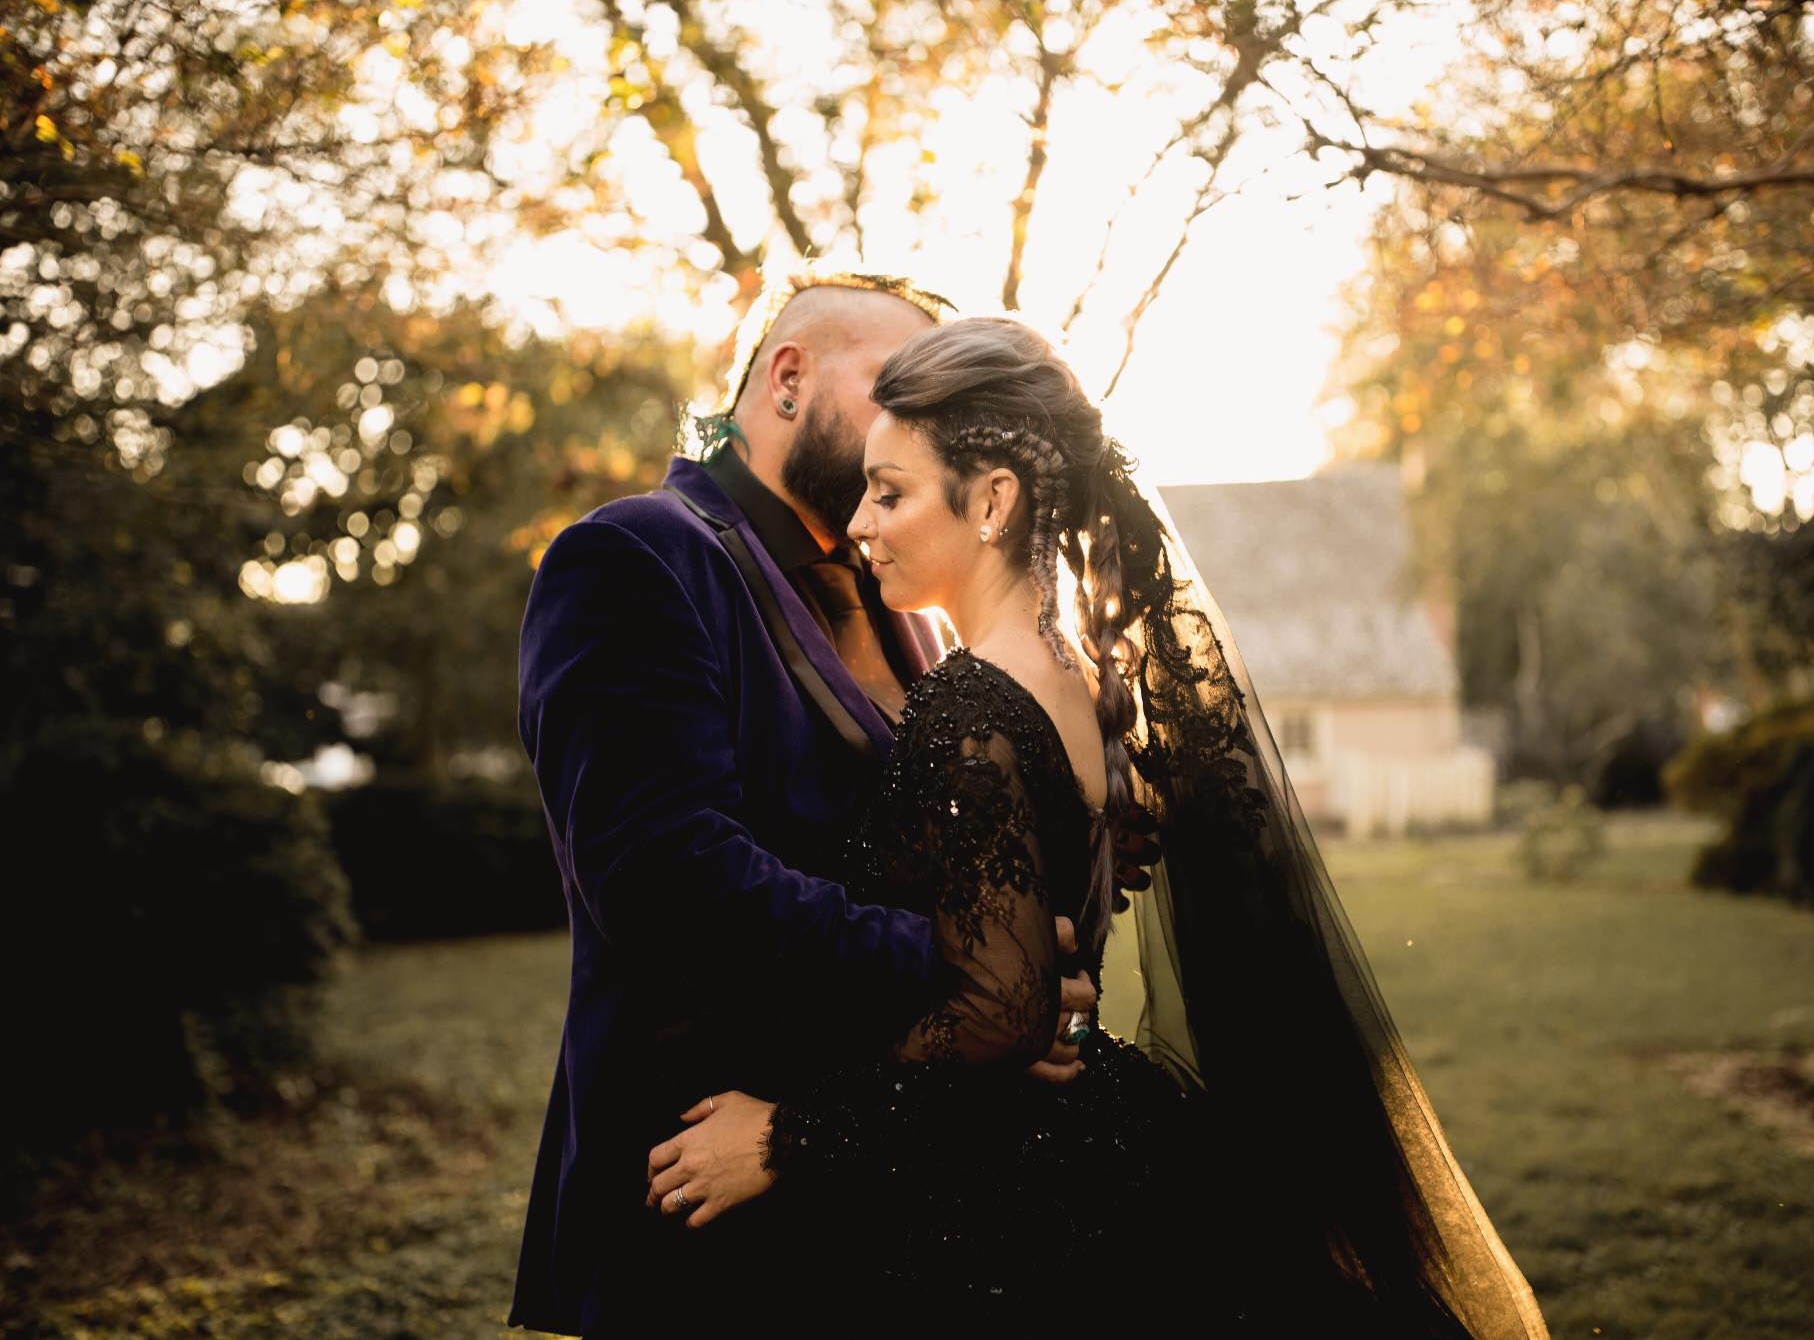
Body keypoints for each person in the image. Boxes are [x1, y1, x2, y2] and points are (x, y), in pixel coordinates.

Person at [644, 316, 1555, 1335]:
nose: (859, 522)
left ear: (991, 500)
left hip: (1004, 1209)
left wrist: (790, 1136)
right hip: (1097, 1138)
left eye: (890, 492)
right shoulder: (1082, 681)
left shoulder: (970, 707)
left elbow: (1002, 1011)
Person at [507, 273, 1100, 1335]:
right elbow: (668, 880)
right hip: (699, 1201)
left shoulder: (903, 595)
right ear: (788, 378)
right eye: (895, 390)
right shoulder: (635, 557)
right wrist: (977, 969)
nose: (922, 427)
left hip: (878, 1200)